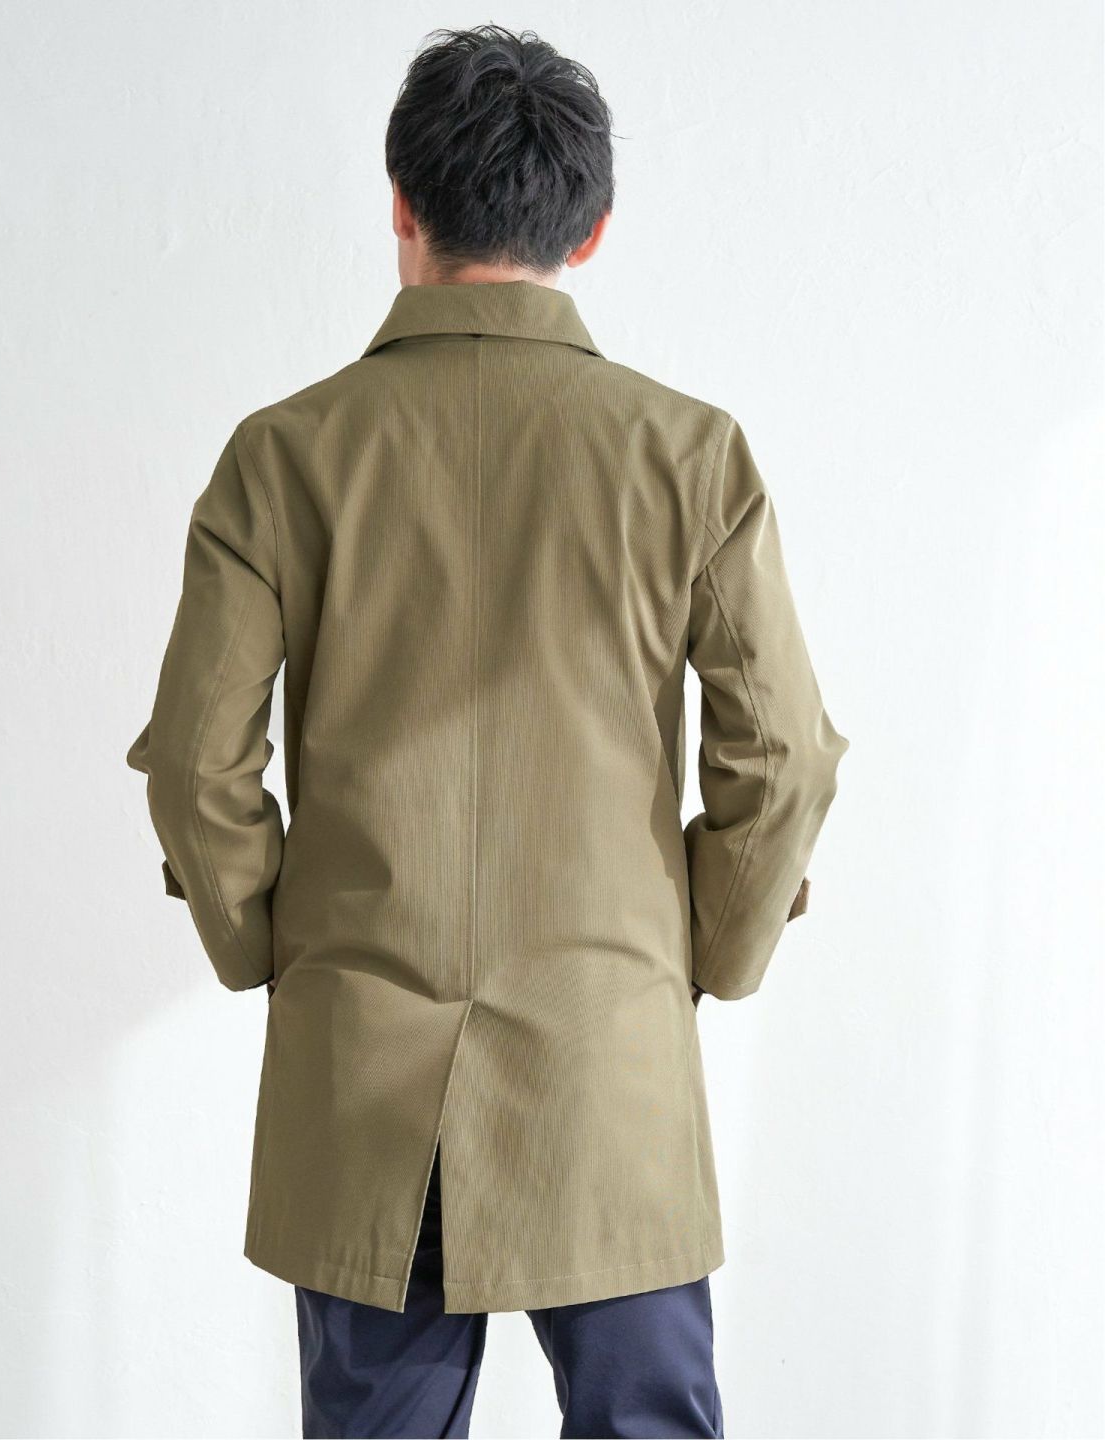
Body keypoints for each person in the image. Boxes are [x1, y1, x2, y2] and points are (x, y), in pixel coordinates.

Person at [125, 23, 849, 1440]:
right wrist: (706, 955)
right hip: (609, 1061)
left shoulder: (284, 455)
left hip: (364, 1071)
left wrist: (272, 947)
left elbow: (199, 762)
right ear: (592, 229)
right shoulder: (688, 453)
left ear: (402, 203)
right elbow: (783, 760)